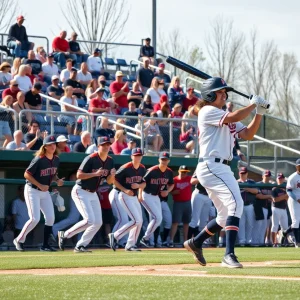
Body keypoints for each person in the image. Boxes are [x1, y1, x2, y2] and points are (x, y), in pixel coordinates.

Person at [183, 76, 269, 268]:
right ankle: (228, 255)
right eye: (220, 92)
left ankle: (196, 242)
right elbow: (235, 116)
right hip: (211, 165)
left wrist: (259, 113)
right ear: (210, 94)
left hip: (222, 167)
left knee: (224, 216)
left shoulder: (222, 114)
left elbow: (248, 134)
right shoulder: (207, 111)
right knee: (236, 203)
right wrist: (252, 105)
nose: (225, 95)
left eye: (224, 91)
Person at [58, 136, 116, 253]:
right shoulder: (91, 158)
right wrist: (95, 174)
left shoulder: (110, 160)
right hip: (81, 190)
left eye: (108, 144)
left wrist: (112, 175)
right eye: (103, 144)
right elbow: (78, 175)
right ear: (98, 146)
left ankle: (80, 245)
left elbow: (109, 181)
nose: (106, 147)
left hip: (93, 192)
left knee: (98, 222)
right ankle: (65, 234)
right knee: (89, 220)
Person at [13, 135, 64, 251]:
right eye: (50, 144)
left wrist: (58, 180)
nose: (52, 146)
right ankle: (19, 240)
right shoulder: (39, 159)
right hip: (32, 190)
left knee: (50, 218)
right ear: (45, 147)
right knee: (34, 219)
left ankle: (45, 245)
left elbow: (53, 174)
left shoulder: (56, 159)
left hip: (44, 191)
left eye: (54, 144)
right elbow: (26, 174)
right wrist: (40, 185)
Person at [108, 147, 146, 251]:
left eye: (139, 155)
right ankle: (115, 236)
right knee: (136, 220)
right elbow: (113, 180)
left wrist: (139, 189)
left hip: (133, 196)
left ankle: (130, 245)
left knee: (140, 221)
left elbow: (144, 183)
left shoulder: (142, 168)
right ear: (131, 156)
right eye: (136, 155)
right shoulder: (126, 167)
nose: (138, 157)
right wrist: (125, 190)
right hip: (124, 195)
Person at [139, 152, 174, 247]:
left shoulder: (169, 172)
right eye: (162, 159)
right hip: (146, 195)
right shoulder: (152, 170)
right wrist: (140, 195)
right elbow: (141, 182)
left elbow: (172, 184)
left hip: (156, 196)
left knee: (158, 219)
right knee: (157, 218)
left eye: (165, 159)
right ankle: (146, 238)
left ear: (168, 161)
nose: (164, 161)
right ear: (159, 160)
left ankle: (148, 239)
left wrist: (167, 191)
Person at [52, 172, 81, 239]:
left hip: (85, 196)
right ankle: (55, 228)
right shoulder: (75, 174)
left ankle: (81, 241)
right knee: (74, 218)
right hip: (77, 196)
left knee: (88, 220)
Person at [169, 166, 192, 246]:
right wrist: (174, 192)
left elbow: (197, 180)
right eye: (182, 172)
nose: (184, 174)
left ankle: (185, 241)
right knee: (175, 222)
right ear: (179, 171)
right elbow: (170, 192)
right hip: (178, 203)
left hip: (187, 203)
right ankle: (171, 240)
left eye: (185, 172)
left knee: (186, 222)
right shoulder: (175, 180)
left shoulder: (189, 178)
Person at [237, 167, 259, 246]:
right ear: (239, 173)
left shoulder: (251, 182)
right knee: (241, 224)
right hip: (240, 206)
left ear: (247, 173)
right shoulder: (236, 182)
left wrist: (247, 188)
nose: (243, 175)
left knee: (250, 224)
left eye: (244, 173)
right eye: (241, 173)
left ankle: (249, 241)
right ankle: (242, 241)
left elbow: (257, 191)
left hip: (249, 204)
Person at [188, 171, 212, 240]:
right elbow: (192, 181)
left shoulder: (215, 169)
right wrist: (202, 178)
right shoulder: (201, 168)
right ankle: (188, 241)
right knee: (194, 220)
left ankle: (199, 242)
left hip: (209, 196)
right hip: (199, 194)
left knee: (204, 222)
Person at [253, 170, 274, 246]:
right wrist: (269, 196)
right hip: (258, 207)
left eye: (268, 176)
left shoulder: (271, 185)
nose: (267, 178)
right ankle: (254, 242)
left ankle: (261, 242)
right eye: (266, 176)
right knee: (257, 226)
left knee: (264, 227)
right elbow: (258, 195)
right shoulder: (258, 184)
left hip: (267, 207)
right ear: (262, 176)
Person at [283, 159, 300, 247]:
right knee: (296, 221)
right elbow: (288, 191)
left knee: (297, 222)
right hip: (294, 201)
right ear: (296, 166)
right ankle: (297, 242)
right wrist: (297, 198)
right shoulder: (293, 177)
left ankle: (286, 232)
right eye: (299, 166)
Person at [271, 173, 288, 247]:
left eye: (281, 178)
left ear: (283, 179)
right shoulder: (275, 188)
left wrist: (284, 197)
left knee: (285, 227)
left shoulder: (286, 187)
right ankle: (273, 243)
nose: (280, 179)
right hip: (276, 208)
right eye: (279, 178)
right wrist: (284, 196)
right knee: (275, 226)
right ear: (277, 179)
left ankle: (284, 242)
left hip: (283, 208)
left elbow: (288, 199)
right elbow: (275, 199)